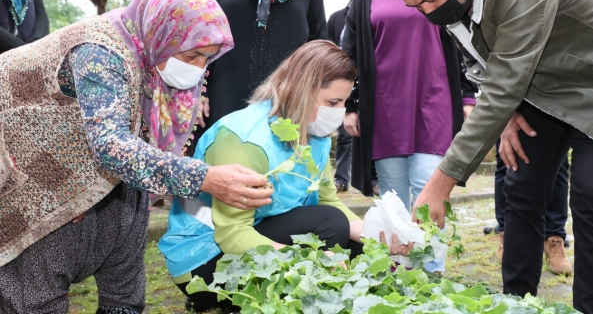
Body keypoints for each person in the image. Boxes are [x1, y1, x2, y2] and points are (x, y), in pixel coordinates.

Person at [384, 0, 593, 312]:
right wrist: (506, 117)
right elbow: (482, 68)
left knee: (592, 198)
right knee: (521, 187)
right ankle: (516, 303)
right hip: (538, 82)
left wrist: (439, 184)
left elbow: (504, 84)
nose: (427, 12)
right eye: (415, 5)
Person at [0, 0, 274, 313]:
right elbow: (111, 145)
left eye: (208, 58)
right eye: (193, 54)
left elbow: (133, 143)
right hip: (27, 167)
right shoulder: (99, 50)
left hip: (90, 172)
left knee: (125, 298)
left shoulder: (149, 54)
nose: (199, 68)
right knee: (36, 299)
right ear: (163, 32)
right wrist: (205, 178)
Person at [159, 40, 413, 312]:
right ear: (302, 89)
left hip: (257, 234)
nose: (338, 112)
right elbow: (232, 234)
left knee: (359, 251)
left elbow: (328, 202)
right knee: (332, 228)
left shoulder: (315, 132)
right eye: (333, 102)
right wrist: (306, 259)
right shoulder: (244, 140)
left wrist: (380, 238)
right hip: (206, 260)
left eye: (343, 103)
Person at [343, 0, 477, 210]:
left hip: (434, 101)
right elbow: (350, 52)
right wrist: (350, 105)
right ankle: (397, 252)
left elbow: (462, 41)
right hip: (385, 108)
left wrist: (467, 95)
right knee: (392, 196)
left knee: (429, 190)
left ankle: (432, 253)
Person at [191, 0, 328, 153]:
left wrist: (317, 99)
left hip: (286, 105)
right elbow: (193, 26)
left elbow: (318, 40)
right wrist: (196, 91)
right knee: (221, 168)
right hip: (222, 95)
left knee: (278, 175)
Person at [492, 141, 572, 276]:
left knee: (559, 161)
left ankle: (554, 238)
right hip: (506, 120)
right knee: (506, 156)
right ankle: (507, 233)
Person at [328, 0, 365, 192]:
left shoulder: (369, 16)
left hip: (365, 82)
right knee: (344, 133)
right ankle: (341, 178)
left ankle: (373, 179)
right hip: (339, 83)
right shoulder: (335, 19)